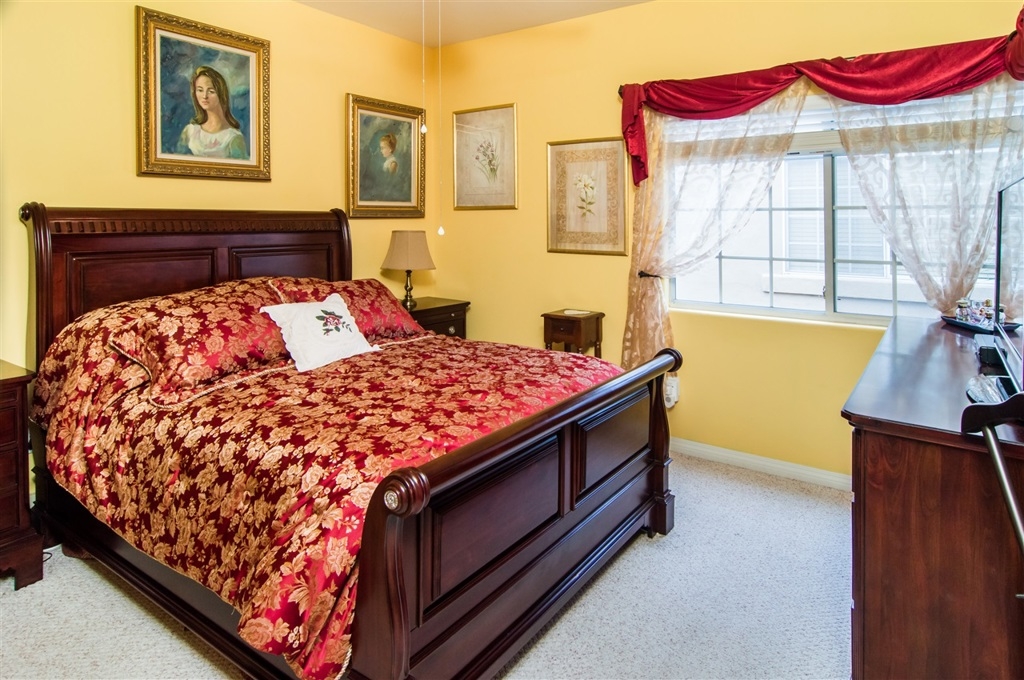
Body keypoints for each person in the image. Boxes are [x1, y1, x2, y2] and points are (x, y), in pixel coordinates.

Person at [177, 66, 248, 159]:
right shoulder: (189, 131)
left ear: (221, 93)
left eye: (211, 91)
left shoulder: (233, 137)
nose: (204, 96)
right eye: (200, 90)